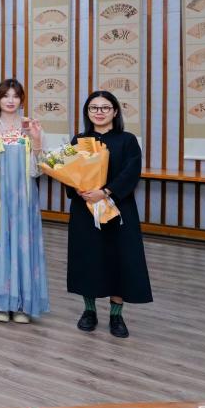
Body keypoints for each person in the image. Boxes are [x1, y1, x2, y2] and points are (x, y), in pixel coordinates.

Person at [67, 90, 151, 339]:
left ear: (115, 111)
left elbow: (131, 172)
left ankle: (116, 315)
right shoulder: (79, 140)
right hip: (85, 209)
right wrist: (79, 189)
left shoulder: (127, 140)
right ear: (87, 112)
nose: (99, 112)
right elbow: (69, 170)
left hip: (118, 209)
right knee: (88, 259)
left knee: (120, 260)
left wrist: (105, 192)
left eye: (105, 108)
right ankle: (89, 311)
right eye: (94, 108)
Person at [0, 79, 49, 323]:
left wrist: (36, 140)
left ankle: (22, 304)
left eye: (15, 96)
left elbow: (39, 169)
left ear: (21, 99)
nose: (10, 100)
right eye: (5, 95)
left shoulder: (31, 125)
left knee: (23, 244)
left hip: (23, 195)